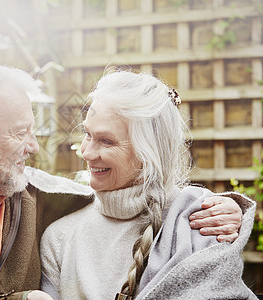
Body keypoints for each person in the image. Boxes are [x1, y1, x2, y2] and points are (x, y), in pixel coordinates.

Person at [0, 63, 244, 300]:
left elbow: (123, 191)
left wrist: (220, 206)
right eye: (20, 133)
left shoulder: (25, 191)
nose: (35, 147)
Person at [40, 69, 257, 300]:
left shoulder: (199, 222)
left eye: (106, 141)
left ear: (149, 153)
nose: (86, 152)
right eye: (87, 133)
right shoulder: (60, 238)